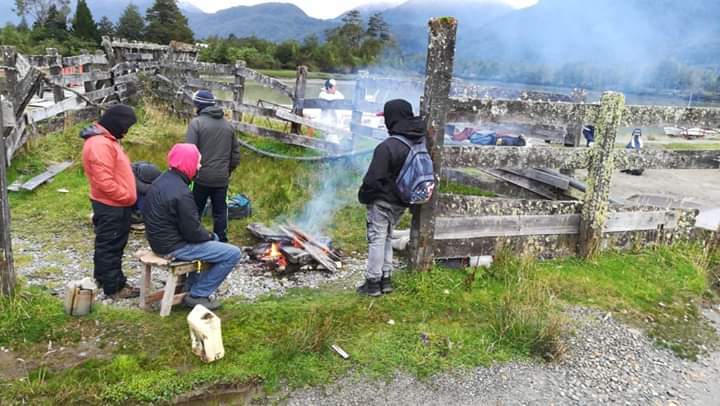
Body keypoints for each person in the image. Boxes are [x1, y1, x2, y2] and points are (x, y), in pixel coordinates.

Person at [142, 143, 243, 310]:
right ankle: (198, 294)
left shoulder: (161, 180)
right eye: (198, 162)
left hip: (158, 241)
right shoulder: (181, 192)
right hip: (172, 247)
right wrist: (210, 236)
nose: (200, 166)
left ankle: (191, 286)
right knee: (232, 253)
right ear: (187, 163)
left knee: (214, 241)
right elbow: (193, 233)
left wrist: (208, 236)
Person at [357, 99, 425, 297]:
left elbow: (372, 180)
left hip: (382, 202)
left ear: (391, 118)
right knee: (387, 236)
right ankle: (386, 279)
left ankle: (372, 282)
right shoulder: (418, 141)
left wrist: (364, 197)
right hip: (402, 202)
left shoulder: (387, 147)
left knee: (377, 238)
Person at [80, 104, 139, 299]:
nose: (126, 131)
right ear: (117, 123)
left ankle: (103, 279)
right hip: (112, 205)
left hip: (113, 203)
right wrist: (127, 196)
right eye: (126, 127)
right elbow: (103, 181)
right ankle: (114, 288)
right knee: (111, 246)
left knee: (107, 243)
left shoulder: (106, 140)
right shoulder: (100, 145)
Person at [185, 90, 240, 243]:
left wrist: (190, 175)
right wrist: (227, 171)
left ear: (198, 104)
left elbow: (189, 151)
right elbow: (235, 155)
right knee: (220, 211)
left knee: (195, 209)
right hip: (221, 178)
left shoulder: (196, 123)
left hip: (201, 177)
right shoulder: (228, 126)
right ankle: (221, 240)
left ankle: (192, 237)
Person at [317, 78, 345, 143]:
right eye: (334, 87)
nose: (335, 89)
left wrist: (332, 92)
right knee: (333, 141)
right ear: (329, 88)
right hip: (326, 124)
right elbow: (330, 99)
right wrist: (325, 91)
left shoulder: (333, 94)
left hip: (333, 124)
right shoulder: (322, 94)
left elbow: (342, 97)